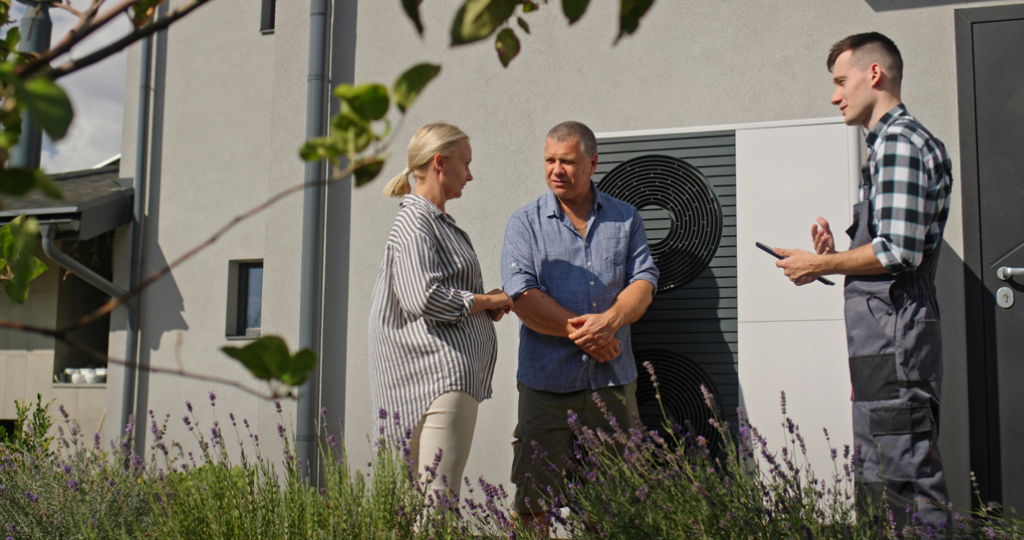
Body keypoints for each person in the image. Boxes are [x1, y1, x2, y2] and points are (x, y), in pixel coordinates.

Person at [773, 33, 953, 527]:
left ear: (874, 74)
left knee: (907, 479)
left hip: (895, 336)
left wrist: (820, 265)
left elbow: (898, 253)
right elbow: (890, 247)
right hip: (881, 340)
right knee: (878, 477)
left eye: (840, 81)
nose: (835, 95)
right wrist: (840, 254)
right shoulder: (886, 147)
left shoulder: (900, 143)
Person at [501, 121, 659, 532]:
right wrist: (591, 336)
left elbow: (644, 283)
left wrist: (610, 320)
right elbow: (522, 297)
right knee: (534, 499)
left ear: (591, 163)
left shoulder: (625, 219)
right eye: (549, 160)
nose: (556, 169)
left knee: (615, 498)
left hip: (612, 384)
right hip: (545, 387)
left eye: (567, 161)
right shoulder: (524, 223)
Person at [368, 123, 513, 500]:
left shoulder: (433, 222)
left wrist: (481, 307)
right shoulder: (417, 221)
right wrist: (485, 302)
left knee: (419, 505)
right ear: (439, 163)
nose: (470, 174)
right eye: (465, 163)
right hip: (438, 377)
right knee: (436, 504)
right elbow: (423, 296)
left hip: (438, 376)